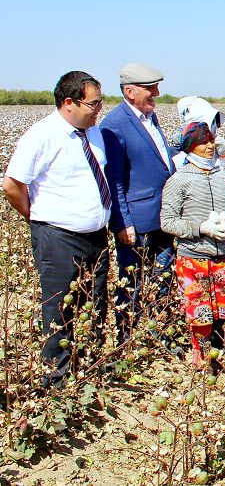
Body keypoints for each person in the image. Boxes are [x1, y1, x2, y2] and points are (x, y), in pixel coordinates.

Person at [2, 71, 112, 387]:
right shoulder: (42, 135)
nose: (99, 109)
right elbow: (12, 185)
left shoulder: (93, 133)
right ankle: (57, 378)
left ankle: (90, 365)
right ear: (69, 103)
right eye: (94, 103)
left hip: (95, 235)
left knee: (95, 302)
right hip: (58, 236)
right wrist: (38, 218)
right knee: (58, 308)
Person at [160, 123, 225, 367]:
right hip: (193, 259)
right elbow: (168, 222)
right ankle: (202, 362)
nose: (210, 146)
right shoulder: (178, 181)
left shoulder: (224, 177)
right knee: (200, 315)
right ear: (190, 147)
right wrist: (202, 228)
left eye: (211, 140)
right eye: (203, 142)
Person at [99, 63, 175, 347]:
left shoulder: (149, 117)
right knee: (132, 283)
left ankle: (162, 336)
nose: (156, 93)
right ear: (130, 92)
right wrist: (122, 222)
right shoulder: (114, 125)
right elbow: (114, 180)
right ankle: (126, 340)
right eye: (150, 88)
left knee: (163, 279)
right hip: (137, 222)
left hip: (162, 217)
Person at [169, 96, 225, 177]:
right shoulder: (176, 156)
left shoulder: (215, 151)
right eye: (212, 122)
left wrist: (224, 156)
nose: (215, 127)